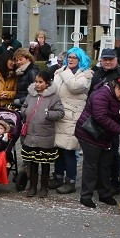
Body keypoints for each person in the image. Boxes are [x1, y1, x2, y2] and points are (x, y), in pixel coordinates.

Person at [76, 76, 120, 208]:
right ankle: (86, 196)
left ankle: (104, 194)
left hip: (106, 135)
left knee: (105, 165)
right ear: (117, 87)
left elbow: (117, 113)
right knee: (91, 166)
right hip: (89, 133)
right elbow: (100, 116)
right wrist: (119, 128)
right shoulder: (101, 94)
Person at [52, 47, 94, 195]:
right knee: (58, 148)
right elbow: (54, 89)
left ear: (80, 60)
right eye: (69, 56)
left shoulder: (86, 74)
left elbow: (75, 87)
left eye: (74, 57)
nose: (70, 59)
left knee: (69, 149)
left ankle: (70, 180)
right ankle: (57, 176)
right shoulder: (61, 71)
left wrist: (63, 72)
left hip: (73, 116)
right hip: (59, 115)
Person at [19, 67, 65, 197]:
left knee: (45, 164)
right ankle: (32, 186)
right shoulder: (30, 95)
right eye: (36, 82)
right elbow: (24, 107)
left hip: (45, 136)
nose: (37, 85)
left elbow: (60, 113)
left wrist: (47, 114)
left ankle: (44, 187)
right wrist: (24, 112)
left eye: (40, 82)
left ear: (47, 83)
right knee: (32, 163)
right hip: (30, 135)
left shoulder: (53, 97)